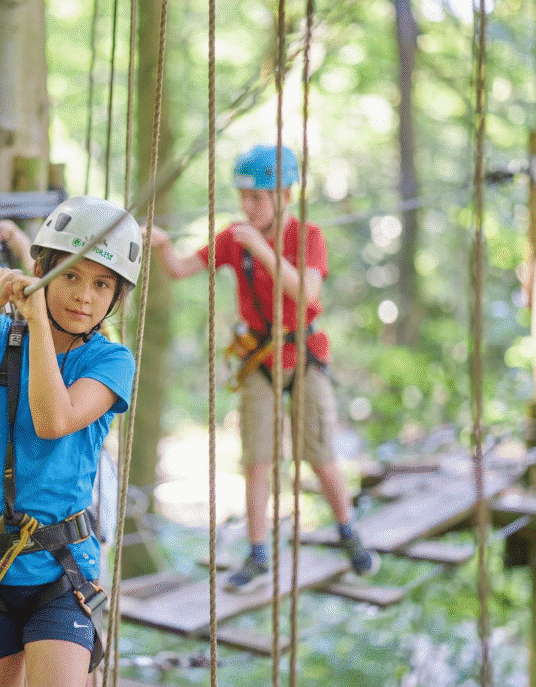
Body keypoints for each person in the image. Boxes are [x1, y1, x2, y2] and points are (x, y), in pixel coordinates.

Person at [0, 196, 142, 687]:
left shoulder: (110, 362)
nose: (84, 295)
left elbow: (53, 419)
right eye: (71, 276)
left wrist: (37, 320)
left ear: (116, 297)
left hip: (60, 574)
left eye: (102, 284)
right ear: (41, 272)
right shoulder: (1, 335)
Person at [148, 144, 378, 593]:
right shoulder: (233, 239)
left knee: (319, 454)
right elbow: (180, 269)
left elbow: (307, 294)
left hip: (304, 355)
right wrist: (161, 244)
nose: (249, 207)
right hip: (258, 360)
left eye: (259, 198)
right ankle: (257, 554)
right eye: (244, 197)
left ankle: (348, 532)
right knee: (257, 461)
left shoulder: (307, 236)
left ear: (286, 195)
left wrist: (262, 248)